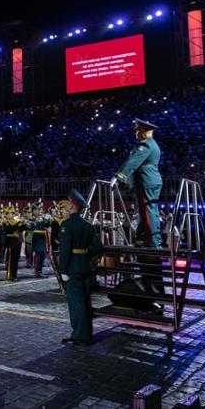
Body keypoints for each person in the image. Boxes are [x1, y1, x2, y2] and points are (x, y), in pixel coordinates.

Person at [111, 118, 163, 248]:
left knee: (147, 211)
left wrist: (119, 177)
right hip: (150, 180)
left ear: (144, 131)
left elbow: (133, 161)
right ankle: (144, 238)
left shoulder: (146, 145)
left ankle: (152, 241)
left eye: (138, 130)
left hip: (145, 181)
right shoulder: (152, 144)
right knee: (147, 211)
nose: (136, 133)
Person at [59, 189, 100, 346]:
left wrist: (63, 271)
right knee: (85, 303)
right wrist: (85, 255)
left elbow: (65, 250)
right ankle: (86, 334)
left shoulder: (67, 225)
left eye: (67, 203)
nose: (65, 206)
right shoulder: (88, 226)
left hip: (72, 269)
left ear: (72, 206)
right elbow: (98, 247)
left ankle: (79, 336)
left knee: (76, 304)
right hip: (85, 267)